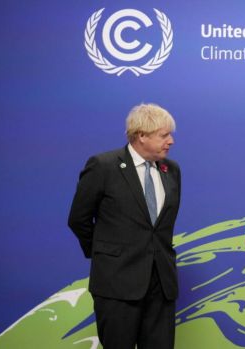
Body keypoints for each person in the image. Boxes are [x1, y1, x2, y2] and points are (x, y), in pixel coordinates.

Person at [68, 103, 181, 349]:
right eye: (164, 135)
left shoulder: (171, 171)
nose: (171, 141)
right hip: (116, 284)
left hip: (161, 285)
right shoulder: (104, 166)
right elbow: (79, 219)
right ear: (142, 135)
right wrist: (105, 255)